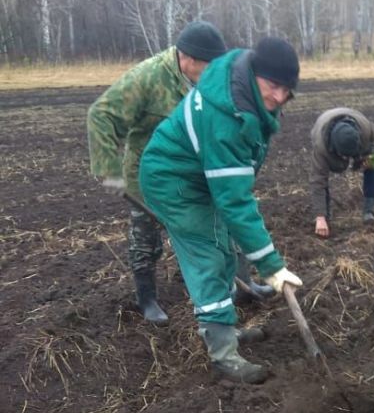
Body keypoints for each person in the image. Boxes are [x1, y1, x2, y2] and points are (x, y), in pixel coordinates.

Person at [139, 37, 302, 385]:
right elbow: (234, 200)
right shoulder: (225, 117)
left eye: (287, 90)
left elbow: (235, 189)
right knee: (210, 256)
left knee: (227, 249)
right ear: (256, 74)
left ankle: (226, 330)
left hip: (200, 176)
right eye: (273, 86)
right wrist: (272, 266)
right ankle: (224, 356)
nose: (279, 97)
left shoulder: (245, 89)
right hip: (174, 183)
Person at [87, 20, 228, 323]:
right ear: (186, 59)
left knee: (220, 225)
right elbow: (101, 115)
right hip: (147, 174)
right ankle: (147, 300)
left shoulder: (210, 78)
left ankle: (235, 286)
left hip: (191, 171)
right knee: (146, 237)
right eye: (207, 66)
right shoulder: (148, 78)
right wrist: (109, 171)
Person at [310, 108, 374, 238]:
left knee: (373, 166)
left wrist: (370, 158)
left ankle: (369, 212)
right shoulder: (321, 147)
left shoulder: (364, 128)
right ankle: (324, 219)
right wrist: (319, 216)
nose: (346, 159)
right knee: (322, 178)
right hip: (323, 123)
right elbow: (318, 181)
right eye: (344, 156)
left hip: (355, 125)